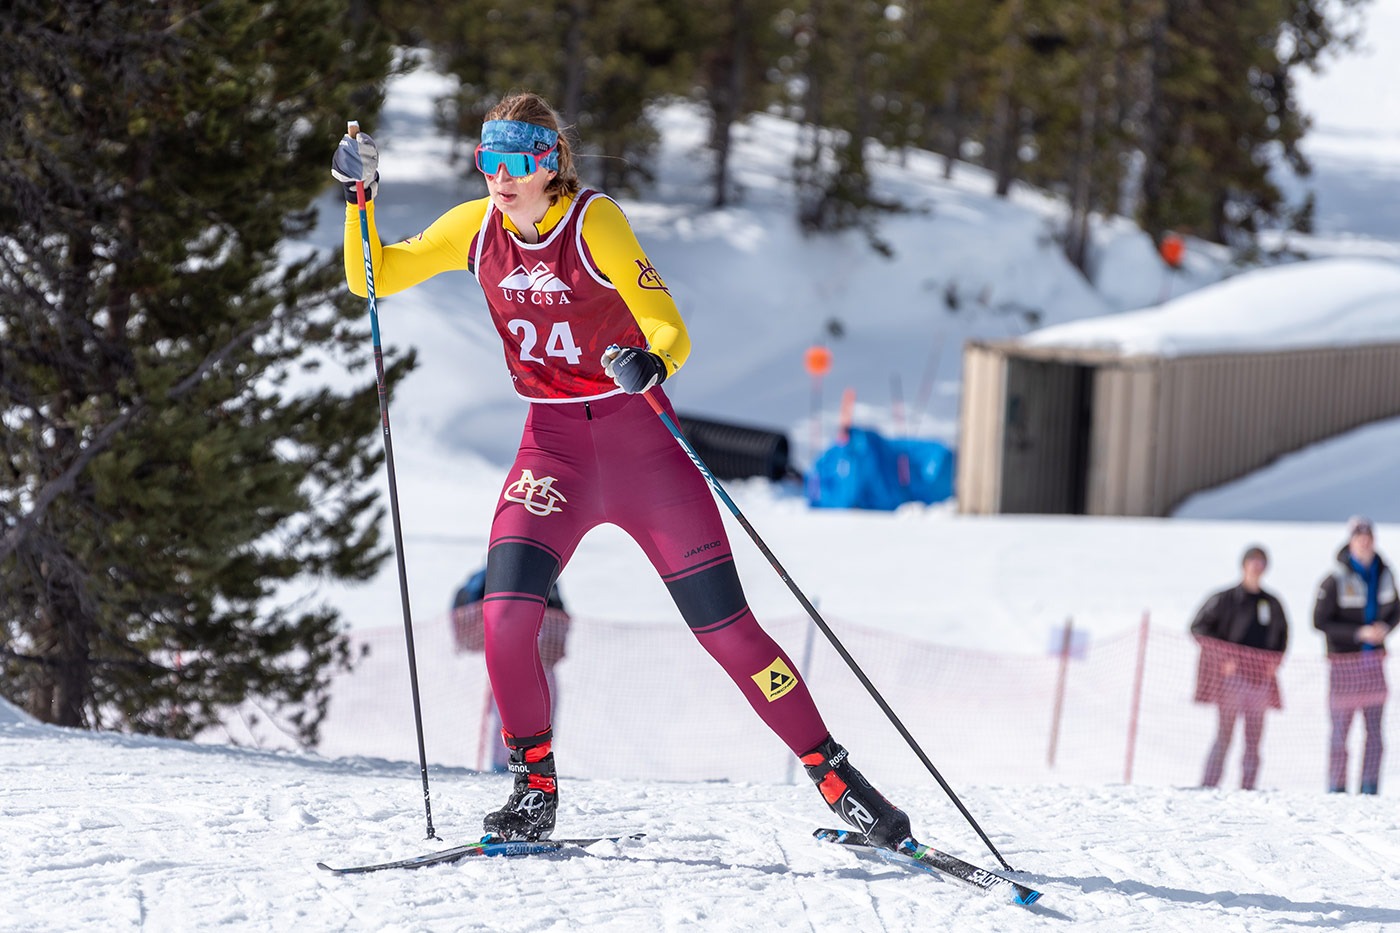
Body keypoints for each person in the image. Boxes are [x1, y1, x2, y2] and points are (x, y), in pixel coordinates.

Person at [332, 93, 912, 847]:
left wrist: (653, 358)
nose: (500, 178)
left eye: (517, 162)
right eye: (488, 162)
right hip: (553, 450)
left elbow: (668, 323)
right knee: (506, 618)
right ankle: (534, 788)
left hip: (643, 450)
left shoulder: (593, 221)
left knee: (729, 633)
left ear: (550, 165)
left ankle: (839, 780)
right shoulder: (476, 229)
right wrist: (359, 201)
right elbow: (371, 277)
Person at [450, 567, 571, 772]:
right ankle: (513, 765)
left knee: (523, 712)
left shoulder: (506, 573)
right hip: (520, 658)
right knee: (512, 712)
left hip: (528, 658)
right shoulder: (540, 574)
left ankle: (524, 764)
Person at [1189, 546, 1288, 790]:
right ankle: (1209, 786)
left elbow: (1283, 636)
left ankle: (1249, 788)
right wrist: (1222, 658)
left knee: (1254, 740)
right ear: (1243, 565)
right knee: (1224, 736)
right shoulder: (1225, 599)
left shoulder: (1271, 603)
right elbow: (1198, 628)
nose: (1256, 567)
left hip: (1260, 681)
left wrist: (1275, 663)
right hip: (1231, 681)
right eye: (1252, 561)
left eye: (1261, 562)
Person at [1314, 515, 1398, 794]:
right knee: (1340, 732)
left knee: (1375, 733)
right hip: (1344, 665)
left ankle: (1369, 788)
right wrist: (1357, 633)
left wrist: (1385, 627)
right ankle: (1337, 789)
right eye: (1359, 537)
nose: (1364, 542)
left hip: (1374, 662)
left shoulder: (1385, 573)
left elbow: (1396, 607)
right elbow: (1320, 621)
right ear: (1350, 541)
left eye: (1368, 537)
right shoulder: (1334, 578)